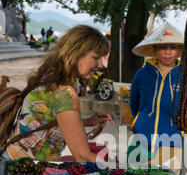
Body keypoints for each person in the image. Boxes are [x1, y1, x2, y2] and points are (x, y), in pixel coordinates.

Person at [1, 25, 111, 163]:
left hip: (18, 163)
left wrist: (88, 121)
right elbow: (83, 156)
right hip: (20, 169)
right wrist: (123, 170)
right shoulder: (64, 92)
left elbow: (52, 121)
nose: (101, 65)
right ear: (76, 53)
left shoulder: (55, 78)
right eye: (96, 58)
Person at [128, 21, 184, 168]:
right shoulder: (142, 74)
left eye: (173, 47)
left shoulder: (186, 77)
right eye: (163, 47)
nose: (168, 52)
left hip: (172, 144)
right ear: (154, 49)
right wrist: (138, 123)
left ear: (179, 50)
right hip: (141, 141)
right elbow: (134, 104)